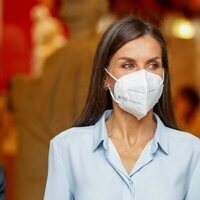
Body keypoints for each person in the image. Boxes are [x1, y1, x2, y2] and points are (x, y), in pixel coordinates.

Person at [44, 16, 200, 200]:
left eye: (153, 65)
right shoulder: (67, 149)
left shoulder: (191, 151)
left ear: (164, 75)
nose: (143, 76)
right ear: (105, 78)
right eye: (128, 65)